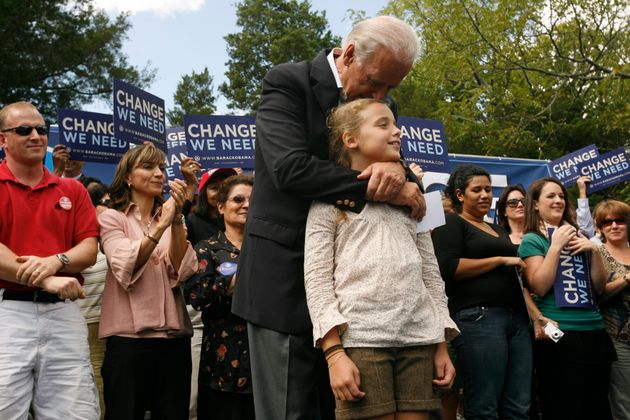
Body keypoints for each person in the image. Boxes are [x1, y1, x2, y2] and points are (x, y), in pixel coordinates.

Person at [232, 15, 425, 419]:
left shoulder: (383, 104)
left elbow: (398, 172)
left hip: (354, 300)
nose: (383, 95)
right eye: (375, 82)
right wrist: (382, 185)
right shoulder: (288, 82)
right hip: (285, 281)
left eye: (392, 87)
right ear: (350, 54)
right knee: (292, 409)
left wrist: (403, 179)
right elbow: (290, 169)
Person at [304, 99, 457, 419]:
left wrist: (441, 342)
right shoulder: (327, 201)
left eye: (395, 124)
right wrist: (334, 355)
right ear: (351, 139)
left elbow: (431, 273)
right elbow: (317, 279)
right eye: (383, 124)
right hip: (361, 343)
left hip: (420, 342)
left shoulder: (415, 201)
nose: (397, 131)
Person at [0, 101, 100, 419]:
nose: (35, 136)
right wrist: (45, 278)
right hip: (7, 312)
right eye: (23, 130)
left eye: (41, 129)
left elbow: (88, 249)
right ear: (2, 139)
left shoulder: (73, 189)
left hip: (64, 315)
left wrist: (56, 261)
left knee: (74, 412)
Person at [98, 143, 197, 420]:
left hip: (174, 341)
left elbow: (183, 269)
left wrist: (177, 220)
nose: (158, 174)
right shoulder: (112, 218)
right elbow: (123, 264)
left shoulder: (170, 216)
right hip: (129, 343)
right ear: (128, 177)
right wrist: (162, 225)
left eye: (162, 168)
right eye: (148, 166)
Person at [432, 165, 532, 420]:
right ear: (460, 194)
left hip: (516, 320)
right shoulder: (450, 222)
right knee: (484, 405)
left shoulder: (498, 229)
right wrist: (499, 260)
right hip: (478, 319)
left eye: (488, 189)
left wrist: (536, 315)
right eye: (476, 189)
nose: (485, 194)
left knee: (519, 405)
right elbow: (449, 267)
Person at [518, 177, 615, 420]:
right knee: (564, 406)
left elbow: (599, 287)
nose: (558, 200)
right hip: (559, 332)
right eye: (550, 196)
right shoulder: (532, 240)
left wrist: (594, 251)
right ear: (536, 205)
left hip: (594, 330)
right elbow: (539, 286)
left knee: (598, 407)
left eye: (561, 195)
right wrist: (555, 246)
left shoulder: (580, 236)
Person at [185, 175, 255, 420]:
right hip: (222, 362)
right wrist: (234, 280)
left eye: (252, 200)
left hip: (265, 357)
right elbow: (198, 297)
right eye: (238, 199)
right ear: (221, 206)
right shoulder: (207, 248)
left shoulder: (272, 247)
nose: (246, 204)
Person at [593, 200, 630, 420]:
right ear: (599, 227)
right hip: (617, 339)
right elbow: (597, 296)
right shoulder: (596, 253)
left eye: (620, 220)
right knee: (624, 401)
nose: (614, 225)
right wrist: (626, 279)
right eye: (607, 222)